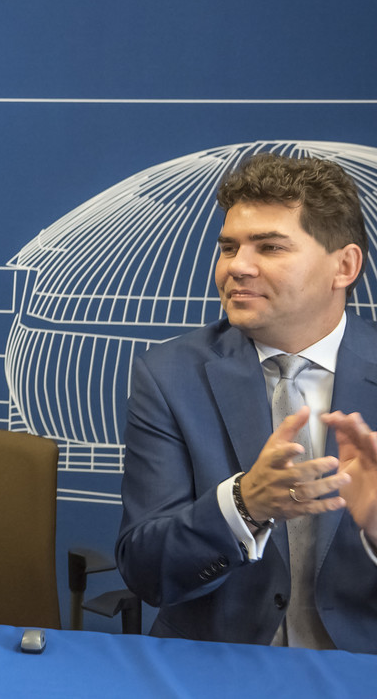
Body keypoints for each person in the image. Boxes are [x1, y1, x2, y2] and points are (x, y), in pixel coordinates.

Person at [117, 153, 377, 651]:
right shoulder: (169, 374)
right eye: (229, 247)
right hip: (217, 663)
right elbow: (147, 572)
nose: (237, 266)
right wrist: (244, 505)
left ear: (344, 266)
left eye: (270, 247)